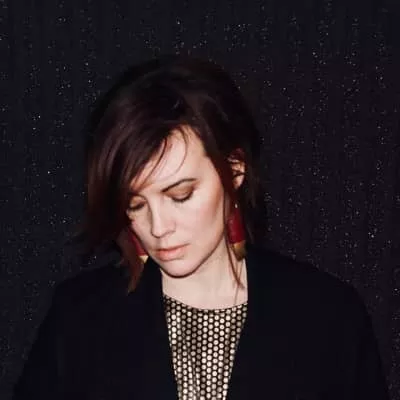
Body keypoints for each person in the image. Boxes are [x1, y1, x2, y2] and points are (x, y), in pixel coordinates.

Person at [13, 56, 389, 400]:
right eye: (135, 204)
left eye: (180, 195)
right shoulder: (80, 319)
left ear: (235, 170)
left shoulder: (328, 317)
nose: (158, 227)